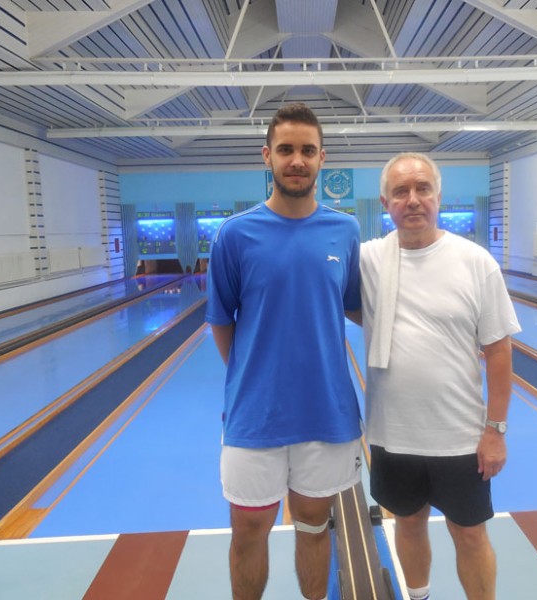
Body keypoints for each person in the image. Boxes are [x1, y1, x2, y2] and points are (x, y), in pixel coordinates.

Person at [206, 102, 363, 600]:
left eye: (308, 151)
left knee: (314, 526)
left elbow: (357, 306)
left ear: (322, 159)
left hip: (326, 412)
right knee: (248, 531)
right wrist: (254, 376)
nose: (297, 160)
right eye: (286, 149)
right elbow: (221, 321)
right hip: (256, 416)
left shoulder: (345, 231)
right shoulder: (235, 235)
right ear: (267, 156)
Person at [358, 152, 520, 600]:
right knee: (408, 523)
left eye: (422, 189)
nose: (413, 199)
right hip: (392, 435)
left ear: (438, 197)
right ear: (385, 203)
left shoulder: (474, 261)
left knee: (470, 533)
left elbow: (499, 350)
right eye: (401, 191)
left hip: (460, 437)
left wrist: (495, 431)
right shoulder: (369, 259)